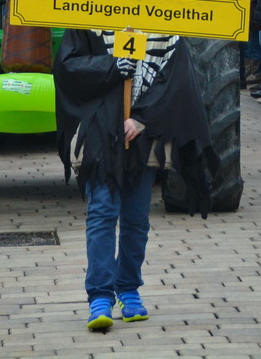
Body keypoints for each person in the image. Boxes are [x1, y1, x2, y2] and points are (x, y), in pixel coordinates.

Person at [53, 27, 218, 332]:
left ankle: (128, 287)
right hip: (101, 126)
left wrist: (143, 116)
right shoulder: (85, 17)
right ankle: (100, 296)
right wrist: (110, 67)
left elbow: (176, 77)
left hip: (145, 132)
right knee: (102, 210)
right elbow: (67, 65)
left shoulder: (167, 26)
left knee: (136, 216)